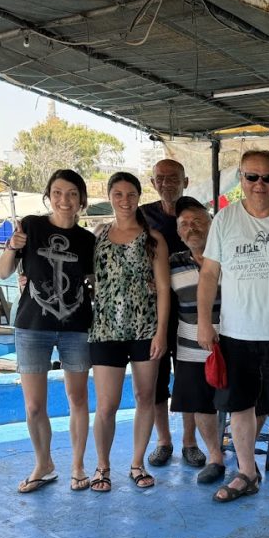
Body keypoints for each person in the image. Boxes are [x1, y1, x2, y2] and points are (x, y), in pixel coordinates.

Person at [196, 150, 269, 510]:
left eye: (268, 178)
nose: (260, 185)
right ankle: (246, 473)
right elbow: (208, 274)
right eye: (252, 177)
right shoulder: (225, 220)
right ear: (241, 179)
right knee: (240, 408)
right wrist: (205, 321)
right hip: (236, 334)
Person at [0, 169, 95, 493]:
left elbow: (98, 282)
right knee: (34, 406)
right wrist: (12, 246)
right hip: (32, 327)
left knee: (78, 398)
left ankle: (78, 465)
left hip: (76, 328)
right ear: (48, 196)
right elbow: (3, 271)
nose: (64, 200)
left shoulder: (88, 241)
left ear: (81, 199)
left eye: (71, 193)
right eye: (57, 192)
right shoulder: (31, 226)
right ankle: (44, 464)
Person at [88, 172, 170, 492]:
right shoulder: (97, 235)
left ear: (138, 197)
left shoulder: (153, 239)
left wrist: (161, 332)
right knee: (107, 404)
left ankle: (137, 464)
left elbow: (164, 288)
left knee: (144, 397)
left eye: (131, 194)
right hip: (105, 328)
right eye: (118, 194)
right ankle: (102, 466)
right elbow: (79, 275)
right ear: (110, 196)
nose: (125, 200)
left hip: (144, 328)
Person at [139, 159, 202, 469]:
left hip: (191, 313)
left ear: (185, 181)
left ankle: (190, 441)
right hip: (155, 314)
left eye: (173, 178)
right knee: (156, 380)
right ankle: (164, 441)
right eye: (160, 178)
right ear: (153, 183)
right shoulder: (143, 215)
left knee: (189, 379)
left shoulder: (195, 212)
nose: (166, 183)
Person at [168, 196, 227, 485]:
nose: (192, 228)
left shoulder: (231, 257)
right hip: (190, 346)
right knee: (201, 404)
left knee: (251, 401)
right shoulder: (172, 264)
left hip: (234, 341)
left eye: (198, 222)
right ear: (179, 232)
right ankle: (215, 456)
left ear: (212, 225)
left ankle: (242, 449)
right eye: (185, 225)